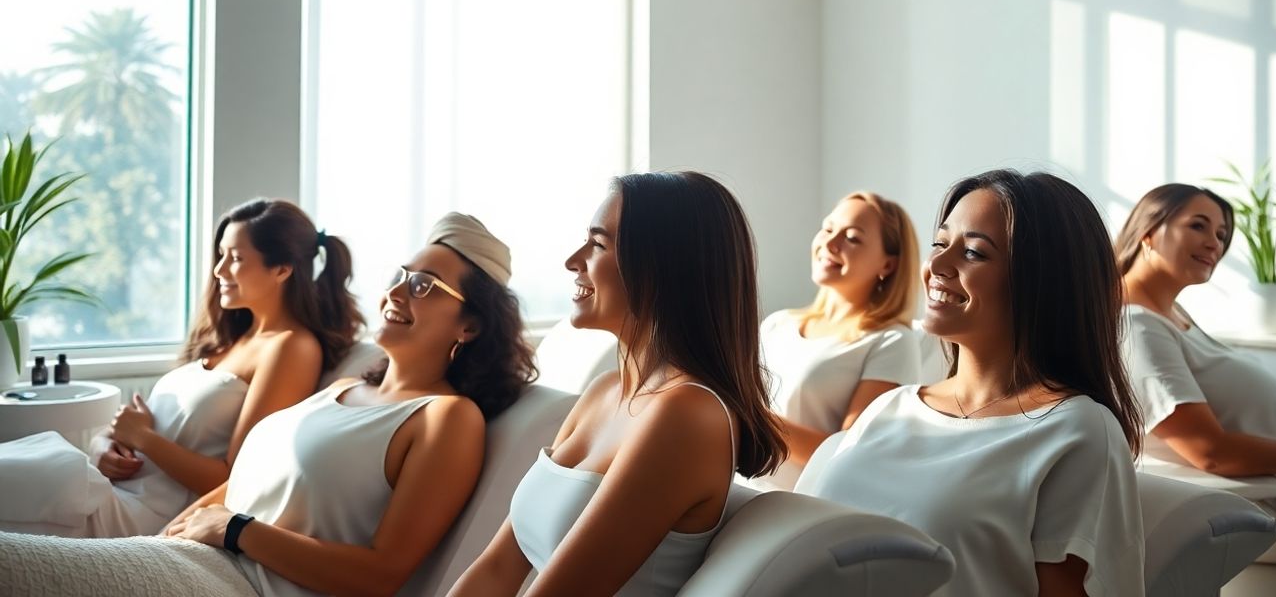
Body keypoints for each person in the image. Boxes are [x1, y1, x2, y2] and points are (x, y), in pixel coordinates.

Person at [0, 212, 538, 597]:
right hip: (189, 557)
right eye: (399, 276)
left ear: (470, 324)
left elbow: (382, 576)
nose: (397, 292)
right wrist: (162, 538)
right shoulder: (342, 389)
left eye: (424, 285)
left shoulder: (446, 418)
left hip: (244, 580)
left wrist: (234, 530)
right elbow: (238, 482)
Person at [796, 170, 1145, 597]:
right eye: (941, 243)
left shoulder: (1077, 430)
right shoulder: (890, 408)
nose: (936, 267)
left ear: (1043, 280)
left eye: (975, 253)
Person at [450, 171, 786, 597]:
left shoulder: (688, 414)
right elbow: (496, 569)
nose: (573, 260)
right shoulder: (603, 393)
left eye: (598, 244)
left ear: (662, 266)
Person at [0, 198, 363, 537]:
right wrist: (105, 445)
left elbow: (239, 475)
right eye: (220, 255)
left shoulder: (291, 347)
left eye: (235, 257)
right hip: (111, 486)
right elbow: (145, 428)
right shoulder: (229, 340)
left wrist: (142, 439)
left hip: (146, 513)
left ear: (282, 269)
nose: (219, 270)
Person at [1117, 183, 1276, 588]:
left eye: (1220, 234)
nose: (1214, 243)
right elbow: (1209, 452)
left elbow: (1229, 405)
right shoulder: (1137, 327)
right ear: (1148, 231)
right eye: (1199, 226)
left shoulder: (1170, 313)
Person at [757, 190, 942, 490]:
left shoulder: (891, 341)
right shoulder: (776, 325)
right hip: (738, 490)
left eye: (853, 238)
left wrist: (752, 419)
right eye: (828, 228)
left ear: (888, 265)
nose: (829, 244)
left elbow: (848, 455)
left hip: (795, 509)